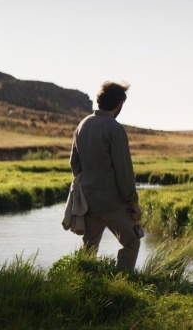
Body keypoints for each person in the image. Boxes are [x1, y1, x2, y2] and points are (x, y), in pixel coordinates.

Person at [68, 81, 142, 271]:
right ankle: (122, 283)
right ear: (119, 104)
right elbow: (123, 170)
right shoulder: (115, 129)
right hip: (111, 203)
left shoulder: (82, 125)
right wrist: (133, 201)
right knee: (132, 242)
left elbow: (74, 164)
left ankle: (83, 282)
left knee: (89, 248)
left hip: (88, 201)